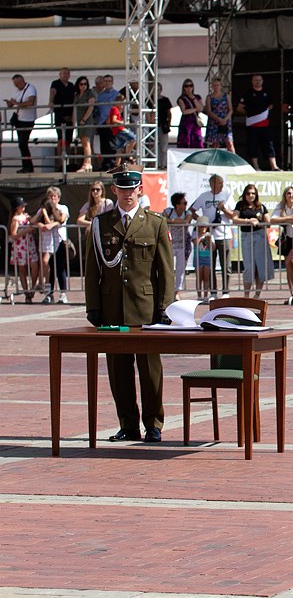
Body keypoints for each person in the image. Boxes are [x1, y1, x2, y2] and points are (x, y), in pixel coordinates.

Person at [85, 164, 173, 443]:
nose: (127, 194)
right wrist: (93, 306)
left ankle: (154, 424)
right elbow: (92, 269)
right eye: (121, 188)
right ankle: (128, 424)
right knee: (118, 371)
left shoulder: (155, 222)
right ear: (114, 190)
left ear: (140, 189)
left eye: (132, 188)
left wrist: (164, 306)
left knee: (150, 371)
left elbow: (165, 270)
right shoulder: (101, 224)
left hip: (145, 309)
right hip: (113, 309)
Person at [189, 174, 236, 298]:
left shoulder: (227, 196)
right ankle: (213, 292)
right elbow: (191, 210)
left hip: (224, 235)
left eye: (222, 183)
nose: (221, 185)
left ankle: (225, 291)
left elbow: (234, 215)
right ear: (212, 184)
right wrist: (201, 221)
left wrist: (224, 209)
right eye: (219, 183)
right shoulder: (204, 196)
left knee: (226, 265)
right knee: (211, 265)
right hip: (208, 235)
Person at [232, 184, 273, 298]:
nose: (251, 196)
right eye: (248, 193)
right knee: (249, 267)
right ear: (244, 195)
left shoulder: (261, 206)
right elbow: (234, 219)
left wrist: (259, 223)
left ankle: (257, 294)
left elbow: (268, 222)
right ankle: (246, 294)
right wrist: (247, 221)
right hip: (246, 236)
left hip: (259, 235)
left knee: (260, 265)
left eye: (253, 193)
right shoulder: (240, 206)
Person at [32, 186, 69, 304]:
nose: (52, 199)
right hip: (47, 242)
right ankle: (49, 292)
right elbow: (33, 221)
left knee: (60, 268)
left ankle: (63, 293)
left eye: (54, 197)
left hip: (59, 240)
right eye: (50, 197)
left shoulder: (62, 208)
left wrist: (51, 225)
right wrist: (40, 221)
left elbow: (61, 219)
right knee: (48, 265)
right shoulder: (44, 209)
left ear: (58, 198)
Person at [237, 74, 279, 171]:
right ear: (252, 81)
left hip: (264, 123)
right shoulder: (248, 93)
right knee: (253, 144)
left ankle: (274, 166)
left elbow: (271, 105)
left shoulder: (266, 92)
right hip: (252, 124)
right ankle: (256, 166)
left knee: (269, 144)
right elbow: (240, 108)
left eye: (259, 80)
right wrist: (250, 114)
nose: (257, 82)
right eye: (255, 80)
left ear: (262, 81)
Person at [164, 192, 194, 301]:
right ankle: (168, 290)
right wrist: (175, 221)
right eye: (184, 203)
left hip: (183, 245)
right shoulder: (168, 211)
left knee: (181, 270)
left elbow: (187, 220)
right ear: (177, 204)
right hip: (170, 243)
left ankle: (177, 291)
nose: (186, 205)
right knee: (168, 268)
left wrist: (172, 222)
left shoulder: (187, 212)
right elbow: (163, 219)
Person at [8, 197, 39, 302]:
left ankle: (33, 288)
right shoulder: (15, 219)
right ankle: (26, 292)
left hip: (29, 243)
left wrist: (31, 228)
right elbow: (13, 235)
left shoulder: (26, 217)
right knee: (22, 268)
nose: (23, 207)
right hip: (20, 245)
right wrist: (26, 230)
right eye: (21, 206)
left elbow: (33, 228)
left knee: (35, 265)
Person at [6, 74, 37, 173]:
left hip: (28, 120)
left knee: (23, 143)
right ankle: (26, 166)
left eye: (17, 84)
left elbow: (30, 102)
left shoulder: (30, 89)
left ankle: (28, 166)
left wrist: (16, 103)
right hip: (19, 120)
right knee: (21, 144)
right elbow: (13, 103)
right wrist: (10, 103)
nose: (16, 86)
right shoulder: (17, 91)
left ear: (22, 81)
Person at [49, 67, 75, 162]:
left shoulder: (71, 85)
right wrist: (51, 101)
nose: (65, 75)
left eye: (67, 73)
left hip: (70, 116)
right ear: (60, 74)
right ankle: (61, 163)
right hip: (60, 115)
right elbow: (52, 91)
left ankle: (67, 163)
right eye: (64, 73)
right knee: (60, 139)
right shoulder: (55, 83)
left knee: (68, 140)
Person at [72, 76, 97, 172]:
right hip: (79, 121)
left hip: (86, 120)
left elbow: (91, 107)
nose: (83, 86)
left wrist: (84, 119)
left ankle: (87, 163)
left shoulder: (89, 93)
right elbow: (74, 108)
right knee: (83, 142)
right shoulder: (77, 95)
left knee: (86, 142)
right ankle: (87, 163)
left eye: (85, 84)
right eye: (81, 84)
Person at [95, 75, 120, 169]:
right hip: (101, 123)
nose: (107, 83)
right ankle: (105, 164)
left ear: (112, 83)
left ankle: (112, 164)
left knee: (112, 144)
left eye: (109, 81)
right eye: (105, 81)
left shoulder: (116, 94)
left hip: (111, 122)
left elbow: (118, 108)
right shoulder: (100, 95)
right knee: (104, 144)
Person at [203, 77, 234, 153]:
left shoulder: (226, 96)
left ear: (221, 86)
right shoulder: (209, 97)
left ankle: (234, 160)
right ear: (212, 86)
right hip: (214, 121)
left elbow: (230, 109)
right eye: (214, 85)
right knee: (215, 143)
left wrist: (224, 119)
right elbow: (208, 111)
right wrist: (218, 119)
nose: (216, 87)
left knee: (229, 142)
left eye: (218, 85)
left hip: (225, 120)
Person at [107, 98, 137, 165]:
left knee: (119, 148)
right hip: (119, 129)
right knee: (134, 138)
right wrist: (123, 123)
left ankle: (117, 164)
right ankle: (128, 155)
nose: (123, 105)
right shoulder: (115, 109)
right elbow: (114, 120)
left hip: (116, 130)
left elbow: (110, 120)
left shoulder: (113, 109)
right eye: (122, 103)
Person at [176, 79, 204, 148]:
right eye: (187, 86)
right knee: (186, 141)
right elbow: (184, 111)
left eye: (190, 86)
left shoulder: (197, 97)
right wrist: (195, 109)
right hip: (186, 123)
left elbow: (200, 108)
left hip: (195, 122)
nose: (189, 88)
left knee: (197, 140)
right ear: (184, 88)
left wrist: (194, 99)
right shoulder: (181, 99)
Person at [193, 216, 214, 300]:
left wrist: (209, 239)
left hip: (207, 257)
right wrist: (199, 235)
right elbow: (195, 243)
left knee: (206, 277)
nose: (203, 228)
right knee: (199, 277)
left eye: (205, 226)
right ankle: (199, 296)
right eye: (201, 226)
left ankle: (205, 295)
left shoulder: (209, 234)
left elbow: (213, 248)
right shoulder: (195, 233)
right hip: (198, 257)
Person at [154, 83, 174, 167]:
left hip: (163, 125)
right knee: (153, 146)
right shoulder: (149, 100)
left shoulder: (165, 100)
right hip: (153, 126)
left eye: (158, 89)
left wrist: (169, 124)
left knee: (163, 147)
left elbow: (169, 113)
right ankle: (153, 164)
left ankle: (163, 164)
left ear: (161, 90)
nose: (157, 91)